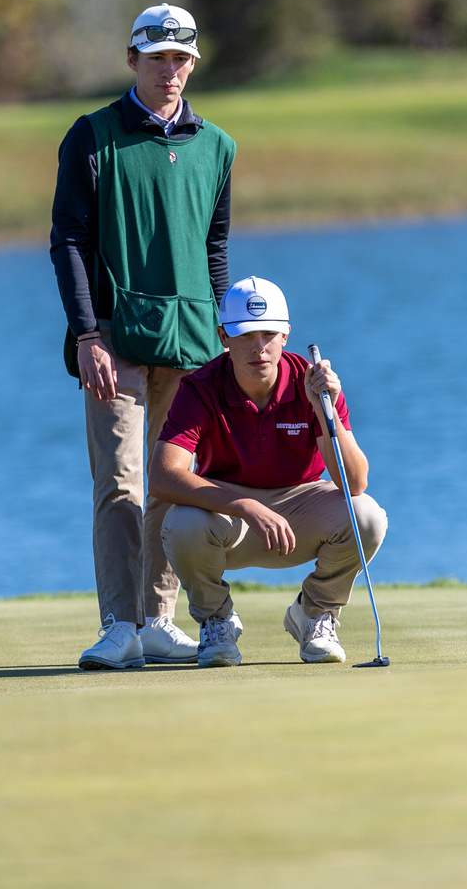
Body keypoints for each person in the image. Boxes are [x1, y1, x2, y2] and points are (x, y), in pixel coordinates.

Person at [49, 2, 236, 669]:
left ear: (192, 63)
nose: (170, 69)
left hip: (192, 345)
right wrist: (87, 335)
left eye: (181, 57)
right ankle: (117, 624)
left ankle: (158, 620)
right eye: (157, 57)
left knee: (171, 483)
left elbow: (214, 249)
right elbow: (68, 240)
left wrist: (225, 339)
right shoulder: (92, 136)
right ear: (133, 59)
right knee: (120, 485)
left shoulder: (218, 146)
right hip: (116, 339)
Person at [148, 276, 388, 667]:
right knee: (182, 521)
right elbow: (161, 476)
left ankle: (313, 614)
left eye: (268, 334)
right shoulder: (200, 387)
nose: (258, 348)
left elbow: (355, 481)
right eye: (245, 336)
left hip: (303, 502)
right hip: (229, 513)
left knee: (368, 518)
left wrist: (321, 408)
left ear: (285, 335)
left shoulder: (313, 383)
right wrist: (244, 505)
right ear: (224, 337)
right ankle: (217, 621)